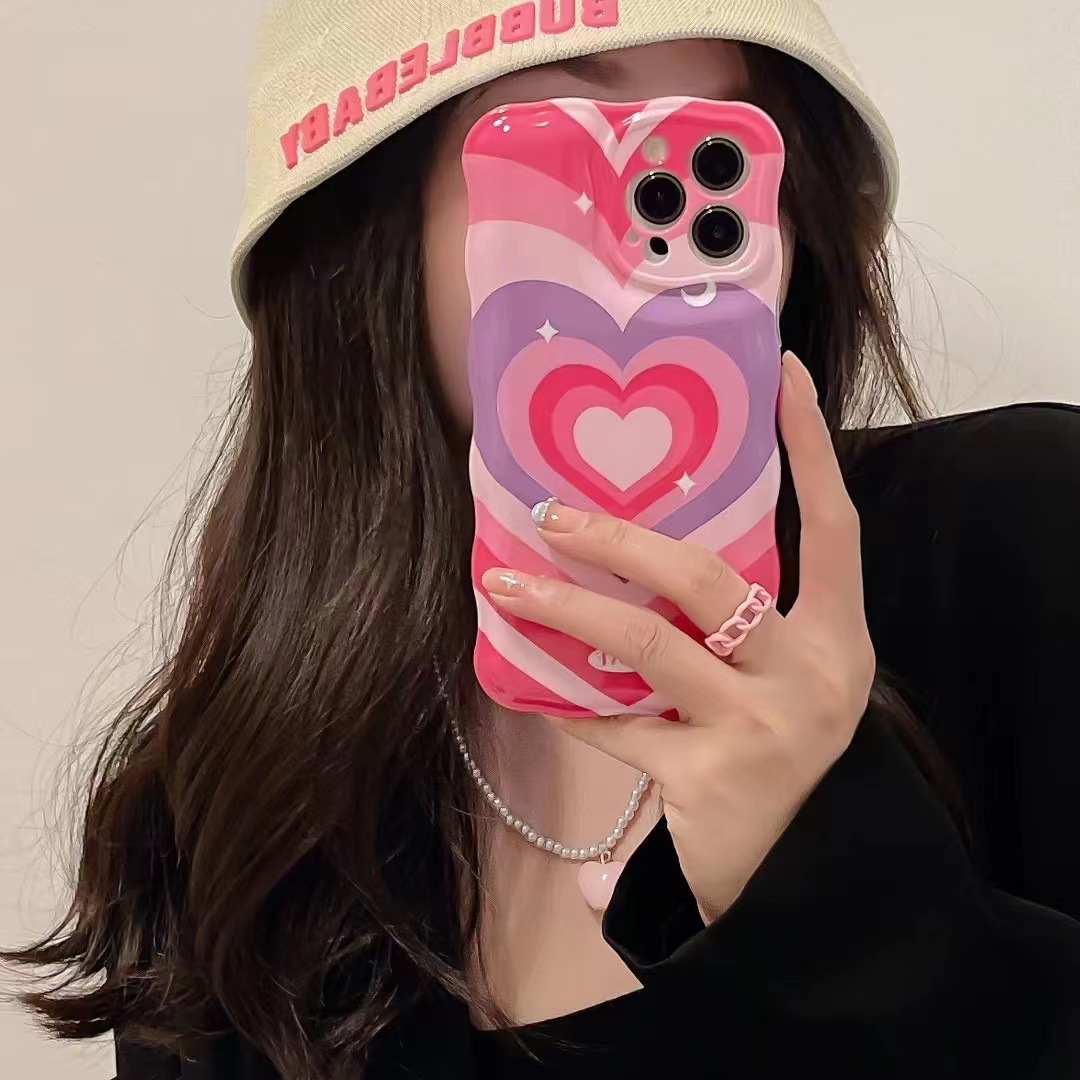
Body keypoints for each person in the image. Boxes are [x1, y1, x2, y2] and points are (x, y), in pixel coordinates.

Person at [6, 1, 1080, 1077]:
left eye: (719, 161)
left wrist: (872, 924)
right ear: (357, 233)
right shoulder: (232, 821)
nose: (663, 261)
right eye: (570, 152)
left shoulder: (1014, 542)